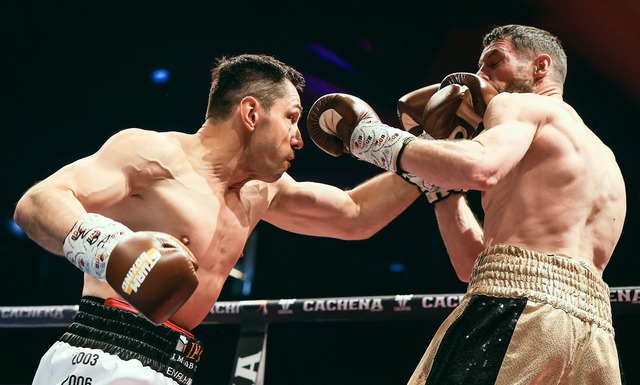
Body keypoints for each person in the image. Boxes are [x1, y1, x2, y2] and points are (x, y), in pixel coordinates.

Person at [13, 53, 428, 384]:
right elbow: (37, 201)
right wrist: (110, 248)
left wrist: (433, 150)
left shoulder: (262, 192)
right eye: (291, 117)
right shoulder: (152, 156)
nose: (299, 137)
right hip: (99, 354)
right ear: (251, 113)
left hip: (173, 366)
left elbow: (355, 216)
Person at [306, 24, 626, 384]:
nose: (480, 76)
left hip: (515, 311)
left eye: (494, 62)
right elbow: (473, 267)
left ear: (540, 67)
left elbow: (480, 168)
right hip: (594, 335)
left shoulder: (519, 105)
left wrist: (373, 139)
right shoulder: (606, 160)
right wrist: (440, 190)